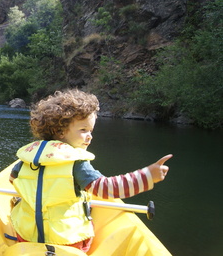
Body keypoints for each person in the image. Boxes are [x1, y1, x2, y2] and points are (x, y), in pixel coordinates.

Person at [9, 89, 172, 252]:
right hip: (68, 241)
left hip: (26, 235)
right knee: (89, 226)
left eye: (90, 131)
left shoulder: (27, 159)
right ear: (60, 131)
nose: (90, 136)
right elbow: (107, 188)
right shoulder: (77, 164)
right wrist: (147, 176)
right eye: (83, 130)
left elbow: (12, 179)